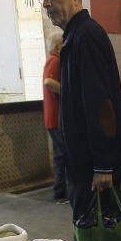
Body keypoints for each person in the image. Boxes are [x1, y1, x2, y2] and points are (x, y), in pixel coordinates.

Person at [39, 0, 121, 223]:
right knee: (93, 239)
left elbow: (101, 104)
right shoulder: (75, 36)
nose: (46, 2)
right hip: (84, 164)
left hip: (93, 170)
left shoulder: (85, 36)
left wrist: (102, 166)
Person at [42, 31, 68, 203]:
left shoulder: (53, 60)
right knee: (64, 155)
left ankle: (60, 192)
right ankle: (61, 192)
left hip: (53, 118)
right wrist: (68, 92)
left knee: (60, 155)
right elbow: (49, 82)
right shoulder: (55, 60)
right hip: (56, 118)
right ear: (59, 46)